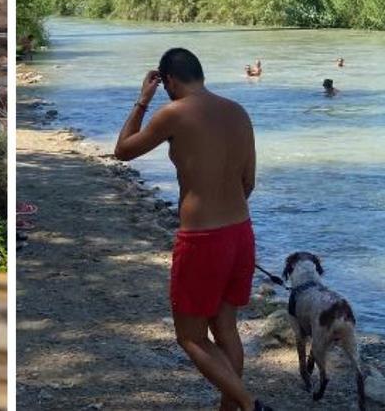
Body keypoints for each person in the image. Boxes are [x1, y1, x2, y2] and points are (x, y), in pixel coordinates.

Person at [113, 48, 270, 411]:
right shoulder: (238, 112)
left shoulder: (173, 113)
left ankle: (250, 405)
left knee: (191, 337)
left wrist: (142, 100)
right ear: (200, 74)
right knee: (226, 329)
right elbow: (248, 181)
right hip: (240, 233)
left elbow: (123, 150)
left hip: (202, 240)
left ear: (168, 80)